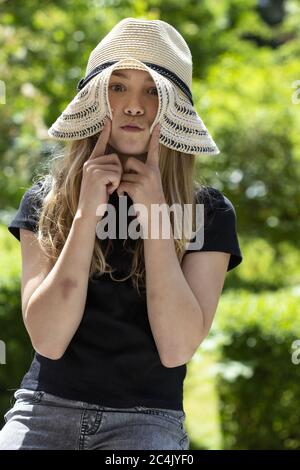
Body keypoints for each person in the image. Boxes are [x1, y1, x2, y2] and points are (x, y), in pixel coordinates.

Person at [0, 17, 243, 450]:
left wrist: (154, 215)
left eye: (153, 90)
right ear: (96, 99)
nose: (134, 105)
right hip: (43, 409)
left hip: (149, 420)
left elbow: (176, 347)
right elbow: (48, 340)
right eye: (118, 87)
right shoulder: (46, 200)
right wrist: (84, 214)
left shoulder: (209, 213)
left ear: (174, 108)